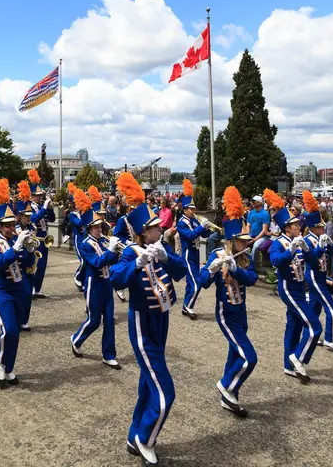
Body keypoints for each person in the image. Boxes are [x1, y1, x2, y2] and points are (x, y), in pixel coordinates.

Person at [110, 174, 187, 466]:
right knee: (164, 390)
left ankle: (134, 434)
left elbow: (181, 274)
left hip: (162, 320)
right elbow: (116, 280)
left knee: (147, 381)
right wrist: (138, 263)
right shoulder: (131, 252)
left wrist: (168, 258)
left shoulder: (161, 249)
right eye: (156, 228)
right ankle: (146, 438)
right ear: (144, 232)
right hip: (142, 322)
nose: (161, 230)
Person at [200, 186, 257, 418]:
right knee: (249, 357)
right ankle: (227, 385)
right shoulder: (217, 254)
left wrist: (236, 270)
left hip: (241, 312)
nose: (246, 244)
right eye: (242, 241)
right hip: (226, 314)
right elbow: (202, 282)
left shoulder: (245, 258)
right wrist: (212, 270)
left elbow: (251, 279)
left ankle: (229, 398)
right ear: (232, 241)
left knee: (235, 354)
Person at [266, 189, 322, 385]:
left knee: (294, 325)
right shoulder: (278, 243)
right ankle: (298, 358)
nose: (299, 226)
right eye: (295, 224)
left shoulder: (302, 240)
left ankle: (288, 365)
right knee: (315, 326)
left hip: (299, 288)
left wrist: (307, 250)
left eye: (297, 223)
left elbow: (315, 264)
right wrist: (290, 250)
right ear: (286, 228)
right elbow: (275, 261)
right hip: (288, 289)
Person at [0, 178, 35, 388]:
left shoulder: (17, 240)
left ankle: (9, 367)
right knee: (9, 330)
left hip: (20, 290)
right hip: (2, 292)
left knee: (16, 332)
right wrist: (15, 248)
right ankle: (0, 361)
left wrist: (30, 250)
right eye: (6, 225)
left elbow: (27, 266)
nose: (10, 228)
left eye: (12, 224)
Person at [70, 188, 122, 369]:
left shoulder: (102, 241)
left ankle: (108, 355)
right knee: (94, 320)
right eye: (97, 227)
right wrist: (110, 251)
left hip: (107, 283)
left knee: (109, 320)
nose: (100, 229)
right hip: (93, 285)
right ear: (90, 228)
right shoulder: (85, 245)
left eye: (100, 226)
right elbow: (98, 262)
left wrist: (116, 250)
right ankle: (76, 339)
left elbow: (112, 261)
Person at [302, 191, 333, 354]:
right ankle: (330, 339)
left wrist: (329, 242)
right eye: (320, 226)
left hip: (320, 275)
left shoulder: (322, 236)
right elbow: (312, 259)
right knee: (332, 308)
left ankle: (311, 333)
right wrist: (320, 247)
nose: (323, 227)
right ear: (314, 227)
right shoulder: (307, 240)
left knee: (314, 307)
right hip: (314, 275)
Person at [177, 179, 210, 320]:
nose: (193, 211)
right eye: (191, 209)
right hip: (188, 254)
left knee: (191, 283)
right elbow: (190, 236)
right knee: (197, 283)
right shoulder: (181, 223)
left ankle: (186, 306)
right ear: (185, 209)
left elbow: (204, 234)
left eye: (193, 208)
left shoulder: (194, 220)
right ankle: (189, 306)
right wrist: (201, 227)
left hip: (196, 254)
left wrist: (207, 228)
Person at [28, 169, 55, 298]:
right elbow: (33, 219)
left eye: (40, 195)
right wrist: (44, 208)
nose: (39, 197)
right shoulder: (29, 206)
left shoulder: (42, 206)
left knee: (43, 265)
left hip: (45, 237)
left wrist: (49, 208)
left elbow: (52, 219)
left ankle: (38, 289)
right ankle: (31, 288)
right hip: (35, 238)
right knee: (34, 264)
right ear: (32, 196)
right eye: (37, 195)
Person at [16, 180, 38, 332]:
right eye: (26, 216)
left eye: (30, 216)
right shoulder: (16, 228)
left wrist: (33, 246)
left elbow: (35, 242)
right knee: (20, 293)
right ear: (20, 215)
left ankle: (24, 320)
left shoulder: (32, 226)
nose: (29, 219)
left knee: (28, 293)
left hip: (30, 261)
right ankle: (16, 319)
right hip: (18, 262)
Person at [68, 184, 86, 292]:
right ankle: (77, 277)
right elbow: (78, 223)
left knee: (87, 261)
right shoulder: (72, 214)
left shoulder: (81, 213)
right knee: (83, 261)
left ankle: (83, 280)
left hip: (84, 238)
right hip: (78, 239)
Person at [246, 195, 271, 263]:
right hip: (251, 235)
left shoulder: (265, 214)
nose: (252, 203)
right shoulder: (250, 213)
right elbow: (248, 225)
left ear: (259, 203)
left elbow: (264, 230)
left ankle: (253, 265)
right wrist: (248, 235)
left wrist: (255, 239)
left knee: (256, 246)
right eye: (252, 201)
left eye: (254, 201)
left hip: (262, 236)